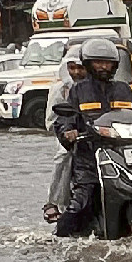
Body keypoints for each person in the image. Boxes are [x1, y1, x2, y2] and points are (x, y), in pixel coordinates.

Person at [49, 36, 132, 237]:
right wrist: (67, 132)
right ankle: (58, 240)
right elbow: (64, 119)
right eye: (98, 62)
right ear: (89, 64)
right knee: (80, 204)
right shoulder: (78, 90)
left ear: (115, 65)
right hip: (89, 160)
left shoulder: (124, 89)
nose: (103, 67)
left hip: (124, 156)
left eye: (107, 63)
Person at [42, 45, 86, 224]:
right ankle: (54, 201)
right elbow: (52, 120)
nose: (76, 72)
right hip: (69, 134)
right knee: (64, 155)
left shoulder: (100, 87)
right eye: (72, 67)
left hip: (101, 132)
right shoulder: (60, 90)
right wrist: (67, 132)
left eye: (80, 67)